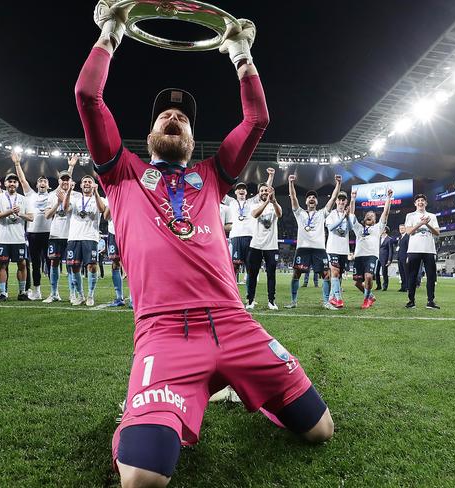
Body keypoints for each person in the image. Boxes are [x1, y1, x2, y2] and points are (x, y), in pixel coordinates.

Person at [77, 7, 333, 486]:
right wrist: (111, 32)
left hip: (236, 324)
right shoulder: (121, 172)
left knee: (321, 430)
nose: (174, 116)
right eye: (164, 115)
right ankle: (141, 410)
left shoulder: (212, 176)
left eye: (184, 118)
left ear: (194, 139)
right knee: (143, 480)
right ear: (150, 134)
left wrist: (239, 52)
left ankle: (237, 385)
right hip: (166, 332)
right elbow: (88, 96)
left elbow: (257, 119)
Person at [13, 152, 73, 300]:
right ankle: (37, 290)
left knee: (51, 263)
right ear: (36, 184)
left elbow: (65, 182)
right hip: (33, 233)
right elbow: (22, 179)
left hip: (49, 233)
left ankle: (54, 292)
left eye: (44, 181)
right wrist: (17, 164)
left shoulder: (53, 195)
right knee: (35, 264)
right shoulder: (30, 195)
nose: (42, 183)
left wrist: (70, 166)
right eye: (40, 181)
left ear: (48, 185)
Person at [286, 174, 341, 309]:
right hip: (303, 248)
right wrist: (291, 183)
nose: (312, 198)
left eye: (314, 197)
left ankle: (326, 302)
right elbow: (293, 197)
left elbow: (333, 199)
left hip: (319, 249)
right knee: (296, 274)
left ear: (317, 202)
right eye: (309, 197)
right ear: (306, 202)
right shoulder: (299, 213)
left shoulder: (322, 213)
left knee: (326, 274)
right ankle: (293, 301)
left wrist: (338, 184)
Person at [63, 176, 106, 306]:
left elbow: (102, 210)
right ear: (81, 185)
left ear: (93, 185)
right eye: (84, 182)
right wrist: (69, 191)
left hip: (90, 237)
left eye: (89, 182)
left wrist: (96, 192)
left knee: (92, 266)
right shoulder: (75, 199)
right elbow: (65, 208)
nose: (87, 183)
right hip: (74, 237)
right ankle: (80, 295)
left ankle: (90, 295)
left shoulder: (98, 198)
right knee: (74, 267)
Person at [0, 173, 33, 301]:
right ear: (5, 184)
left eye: (14, 182)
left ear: (17, 184)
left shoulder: (24, 199)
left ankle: (22, 292)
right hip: (2, 238)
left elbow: (31, 217)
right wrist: (10, 211)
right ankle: (3, 293)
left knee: (22, 264)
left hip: (18, 239)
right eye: (10, 181)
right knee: (2, 265)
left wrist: (19, 213)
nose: (12, 184)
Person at [348, 189, 393, 309]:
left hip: (371, 256)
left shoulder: (378, 228)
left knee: (368, 276)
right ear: (365, 218)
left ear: (375, 220)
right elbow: (351, 214)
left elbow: (385, 213)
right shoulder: (358, 228)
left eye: (372, 216)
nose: (370, 216)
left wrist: (388, 198)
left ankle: (366, 299)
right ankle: (370, 295)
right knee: (357, 283)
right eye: (368, 215)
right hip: (359, 257)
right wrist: (353, 198)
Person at [246, 168, 281, 310]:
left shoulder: (274, 205)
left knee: (271, 275)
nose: (264, 192)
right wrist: (267, 202)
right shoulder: (254, 205)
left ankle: (271, 301)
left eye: (266, 191)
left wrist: (273, 202)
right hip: (256, 245)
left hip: (271, 246)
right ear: (259, 193)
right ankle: (250, 301)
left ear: (270, 192)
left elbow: (279, 214)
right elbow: (255, 214)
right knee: (252, 274)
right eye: (262, 191)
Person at [43, 162, 77, 302]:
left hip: (71, 235)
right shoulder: (51, 196)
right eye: (62, 179)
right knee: (54, 263)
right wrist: (57, 203)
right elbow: (47, 215)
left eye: (67, 179)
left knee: (71, 265)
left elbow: (69, 209)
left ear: (71, 181)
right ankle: (54, 293)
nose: (65, 181)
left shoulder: (77, 195)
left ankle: (72, 293)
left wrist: (63, 199)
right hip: (55, 234)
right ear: (59, 181)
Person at [404, 194, 440, 309]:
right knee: (412, 276)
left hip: (429, 250)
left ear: (426, 203)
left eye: (423, 200)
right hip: (414, 249)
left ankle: (430, 301)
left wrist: (427, 224)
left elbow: (437, 232)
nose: (420, 202)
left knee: (431, 276)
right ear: (415, 203)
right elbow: (409, 231)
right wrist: (421, 223)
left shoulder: (432, 216)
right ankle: (411, 301)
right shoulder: (410, 215)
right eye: (418, 200)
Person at [325, 191, 350, 308]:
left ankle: (331, 298)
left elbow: (350, 229)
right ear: (336, 201)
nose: (341, 202)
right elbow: (330, 227)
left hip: (344, 249)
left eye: (343, 200)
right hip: (332, 248)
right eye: (339, 200)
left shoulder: (349, 215)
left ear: (346, 202)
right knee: (334, 272)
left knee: (339, 275)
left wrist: (348, 217)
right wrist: (342, 218)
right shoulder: (331, 214)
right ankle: (339, 298)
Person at [228, 181, 255, 287]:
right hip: (236, 237)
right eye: (239, 188)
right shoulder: (231, 202)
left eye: (243, 188)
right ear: (235, 192)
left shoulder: (251, 202)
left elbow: (264, 191)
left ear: (246, 192)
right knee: (234, 266)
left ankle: (250, 298)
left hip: (249, 236)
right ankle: (232, 294)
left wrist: (270, 177)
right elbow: (219, 193)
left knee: (250, 267)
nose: (241, 190)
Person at [104, 200, 125, 306]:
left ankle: (133, 298)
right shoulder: (110, 194)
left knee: (132, 264)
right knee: (115, 263)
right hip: (113, 232)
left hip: (128, 230)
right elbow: (106, 216)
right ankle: (119, 297)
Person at [377, 226, 393, 291]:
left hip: (385, 258)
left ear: (385, 230)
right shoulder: (379, 238)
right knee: (376, 272)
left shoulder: (389, 239)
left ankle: (385, 286)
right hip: (377, 257)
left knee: (384, 272)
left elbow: (391, 250)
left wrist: (389, 260)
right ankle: (378, 286)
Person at [395, 223, 409, 292]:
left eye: (402, 228)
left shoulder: (407, 237)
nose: (401, 230)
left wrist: (408, 257)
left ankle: (407, 287)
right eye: (400, 229)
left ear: (405, 229)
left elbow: (409, 248)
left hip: (405, 257)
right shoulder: (400, 237)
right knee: (401, 273)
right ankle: (403, 287)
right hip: (399, 257)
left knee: (406, 273)